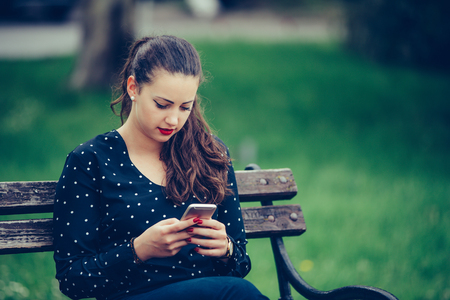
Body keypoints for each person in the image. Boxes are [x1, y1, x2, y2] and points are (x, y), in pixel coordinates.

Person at [53, 35, 269, 300]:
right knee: (237, 293)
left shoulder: (209, 153)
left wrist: (225, 249)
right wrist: (138, 250)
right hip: (135, 295)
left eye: (185, 107)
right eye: (162, 104)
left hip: (211, 292)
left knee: (236, 290)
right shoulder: (91, 161)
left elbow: (240, 264)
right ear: (133, 88)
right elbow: (72, 280)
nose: (173, 119)